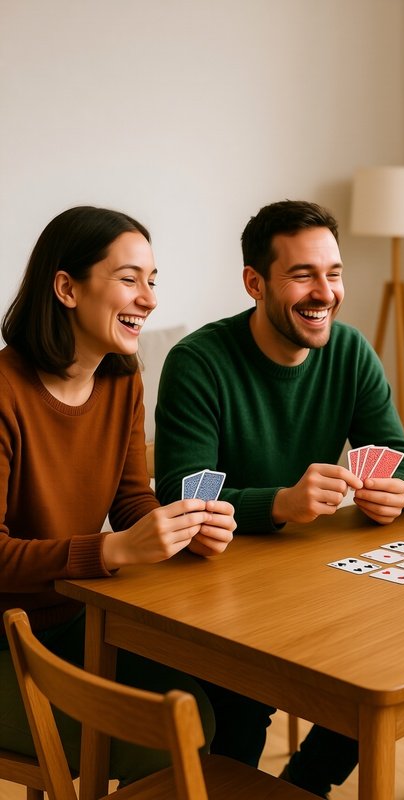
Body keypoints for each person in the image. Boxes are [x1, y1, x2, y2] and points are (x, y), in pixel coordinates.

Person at [154, 199, 404, 796]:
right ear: (255, 283)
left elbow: (402, 457)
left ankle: (304, 785)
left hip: (312, 581)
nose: (325, 292)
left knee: (383, 673)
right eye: (303, 275)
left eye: (334, 273)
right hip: (216, 591)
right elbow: (183, 490)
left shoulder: (349, 351)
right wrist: (279, 503)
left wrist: (393, 491)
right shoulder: (198, 362)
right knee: (241, 714)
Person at [0, 206, 238, 784]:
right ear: (66, 288)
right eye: (130, 279)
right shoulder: (4, 393)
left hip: (79, 618)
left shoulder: (122, 377)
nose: (149, 299)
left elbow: (131, 498)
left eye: (152, 280)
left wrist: (181, 525)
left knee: (210, 706)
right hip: (6, 642)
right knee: (170, 734)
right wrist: (111, 550)